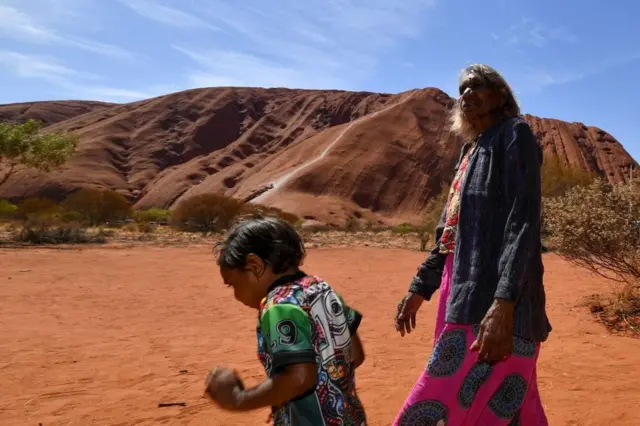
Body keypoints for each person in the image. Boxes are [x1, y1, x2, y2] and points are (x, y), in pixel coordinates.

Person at [393, 64, 551, 425]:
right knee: (506, 406)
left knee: (440, 399)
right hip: (459, 285)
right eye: (462, 89)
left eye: (477, 86)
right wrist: (421, 287)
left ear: (500, 95)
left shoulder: (515, 134)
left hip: (495, 294)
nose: (466, 94)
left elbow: (523, 221)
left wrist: (503, 304)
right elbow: (448, 233)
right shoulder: (469, 152)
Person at [204, 216, 367, 425]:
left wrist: (238, 399)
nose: (236, 295)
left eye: (233, 284)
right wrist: (282, 397)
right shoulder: (320, 288)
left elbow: (299, 378)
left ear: (254, 266)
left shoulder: (278, 306)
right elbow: (356, 355)